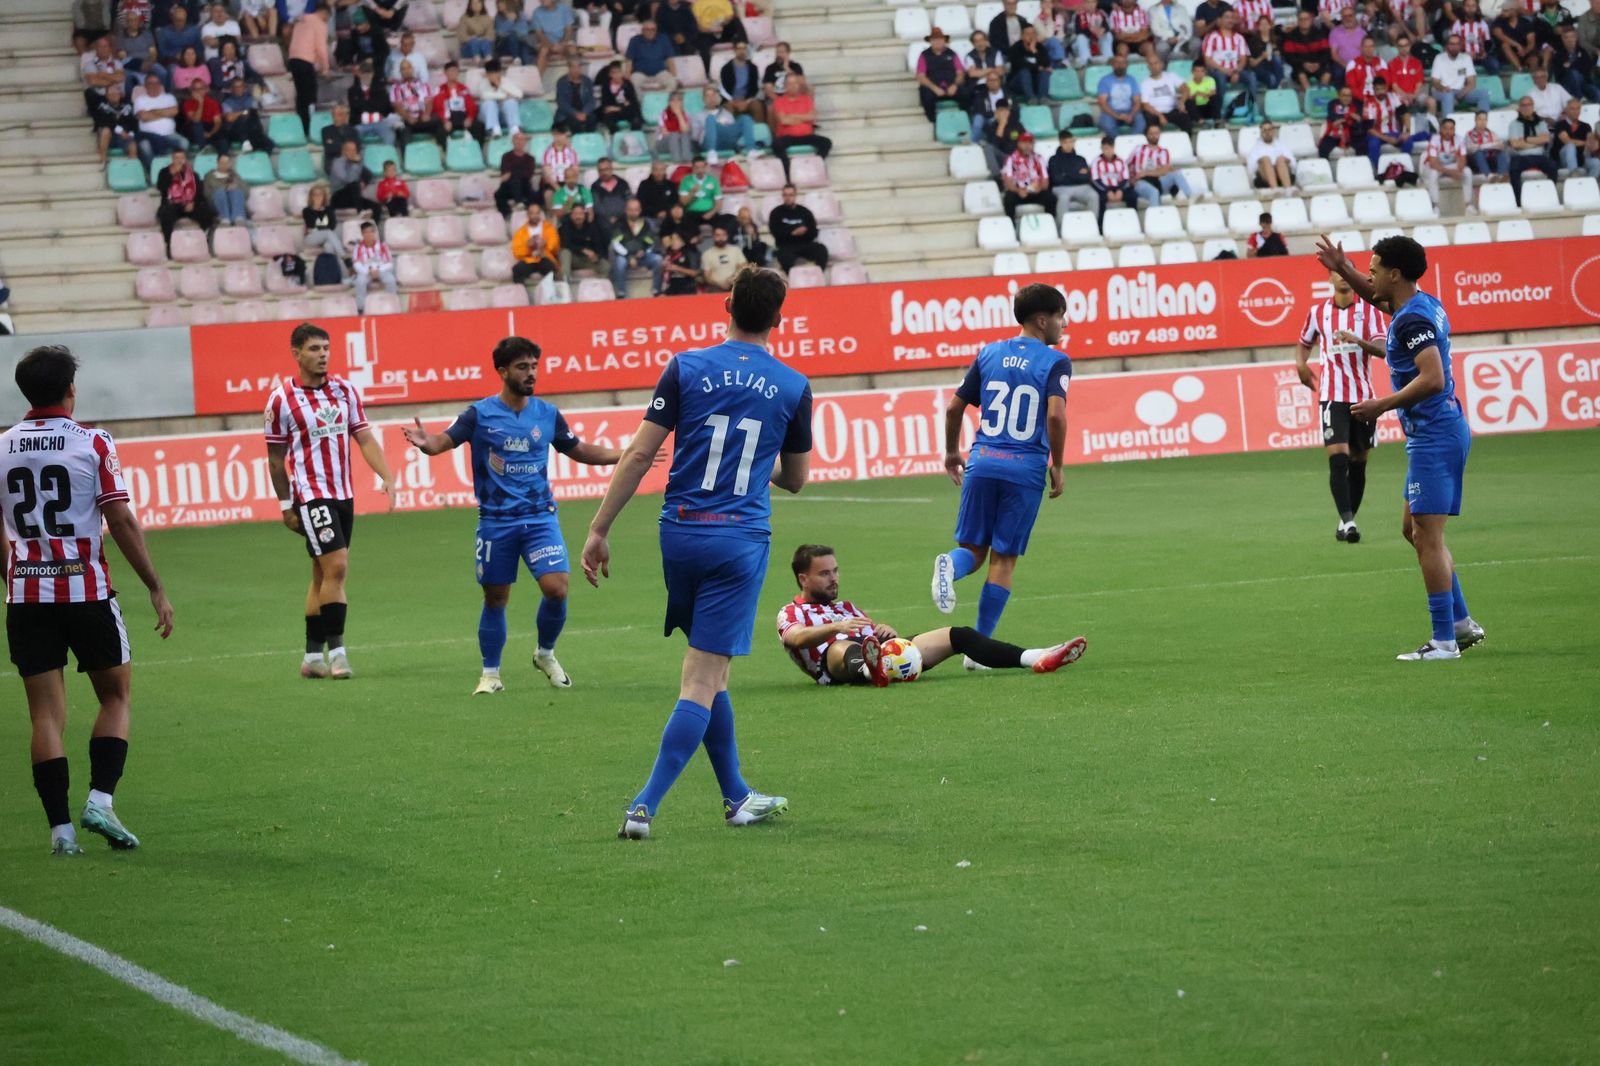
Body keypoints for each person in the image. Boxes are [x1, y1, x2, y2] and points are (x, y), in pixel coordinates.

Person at [581, 266, 813, 841]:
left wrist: (598, 528)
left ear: (725, 305)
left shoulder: (685, 366)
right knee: (700, 678)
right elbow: (796, 479)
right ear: (779, 318)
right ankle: (643, 807)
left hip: (679, 532)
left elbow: (638, 454)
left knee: (713, 673)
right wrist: (757, 460)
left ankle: (736, 795)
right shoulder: (792, 385)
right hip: (738, 540)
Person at [3, 344, 174, 857]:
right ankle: (100, 799)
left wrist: (13, 578)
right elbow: (118, 518)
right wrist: (154, 585)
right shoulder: (91, 442)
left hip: (27, 596)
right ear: (70, 390)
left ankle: (61, 833)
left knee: (45, 716)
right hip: (86, 590)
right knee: (116, 696)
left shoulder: (3, 445)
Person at [401, 338, 624, 694]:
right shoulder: (480, 414)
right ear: (503, 372)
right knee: (496, 598)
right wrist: (427, 443)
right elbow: (443, 441)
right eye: (523, 367)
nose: (531, 373)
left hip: (540, 518)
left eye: (534, 365)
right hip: (496, 522)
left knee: (557, 588)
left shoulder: (547, 414)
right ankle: (490, 674)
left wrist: (624, 456)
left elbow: (578, 449)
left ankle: (545, 654)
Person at [1314, 234, 1483, 660]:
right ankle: (1460, 622)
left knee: (1427, 535)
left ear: (1394, 274)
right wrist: (1344, 264)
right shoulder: (1419, 304)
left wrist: (1380, 406)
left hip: (1434, 436)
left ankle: (1444, 640)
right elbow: (1377, 296)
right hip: (1436, 432)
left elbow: (1432, 379)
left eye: (1372, 270)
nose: (1366, 277)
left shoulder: (1411, 320)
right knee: (1413, 530)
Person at [931, 284, 1071, 651]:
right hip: (1023, 468)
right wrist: (1058, 463)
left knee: (972, 551)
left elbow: (953, 408)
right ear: (1042, 321)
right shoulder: (1056, 361)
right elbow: (1056, 415)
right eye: (1060, 316)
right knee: (1003, 559)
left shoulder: (989, 353)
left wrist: (950, 452)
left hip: (982, 461)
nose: (1063, 324)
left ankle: (950, 564)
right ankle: (980, 648)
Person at [264, 323, 397, 681]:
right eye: (313, 349)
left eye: (326, 348)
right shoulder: (281, 400)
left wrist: (387, 475)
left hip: (343, 494)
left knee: (322, 573)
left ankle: (311, 658)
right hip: (310, 494)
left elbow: (364, 438)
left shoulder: (345, 391)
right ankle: (338, 653)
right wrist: (285, 504)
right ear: (296, 354)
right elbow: (276, 459)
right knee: (337, 566)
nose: (322, 354)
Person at [780, 545, 1087, 687]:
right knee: (841, 648)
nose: (833, 578)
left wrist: (884, 630)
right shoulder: (790, 612)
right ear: (803, 578)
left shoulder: (847, 606)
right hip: (836, 668)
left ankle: (1037, 658)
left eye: (835, 571)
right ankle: (870, 669)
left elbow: (871, 634)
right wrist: (839, 628)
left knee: (958, 635)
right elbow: (795, 638)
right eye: (823, 574)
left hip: (884, 655)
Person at [1294, 269, 1386, 542]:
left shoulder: (1370, 312)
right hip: (1331, 395)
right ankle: (1349, 523)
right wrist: (1300, 364)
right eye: (1337, 273)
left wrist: (1358, 341)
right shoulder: (1317, 312)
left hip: (1363, 398)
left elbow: (1382, 349)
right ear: (1330, 280)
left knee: (1359, 462)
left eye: (1347, 271)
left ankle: (1345, 520)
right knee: (1338, 457)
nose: (1343, 277)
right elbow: (1303, 343)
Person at [155, 148, 216, 253]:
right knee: (165, 214)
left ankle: (205, 240)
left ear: (185, 159)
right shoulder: (164, 172)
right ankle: (169, 244)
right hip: (173, 205)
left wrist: (193, 202)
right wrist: (171, 175)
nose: (179, 161)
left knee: (208, 211)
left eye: (181, 158)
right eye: (176, 158)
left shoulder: (193, 174)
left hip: (189, 205)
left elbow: (199, 193)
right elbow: (161, 188)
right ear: (172, 159)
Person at [770, 76, 831, 175]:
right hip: (787, 136)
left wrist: (793, 116)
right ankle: (787, 170)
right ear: (785, 86)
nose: (793, 86)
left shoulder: (806, 99)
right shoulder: (779, 101)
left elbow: (812, 117)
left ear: (799, 86)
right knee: (776, 145)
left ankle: (815, 166)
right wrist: (803, 118)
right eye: (790, 83)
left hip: (806, 135)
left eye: (795, 83)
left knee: (826, 142)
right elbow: (784, 120)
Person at [286, 4, 329, 137]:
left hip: (293, 59)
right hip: (305, 60)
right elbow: (321, 48)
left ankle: (302, 127)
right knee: (310, 96)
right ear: (325, 13)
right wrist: (325, 68)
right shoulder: (319, 24)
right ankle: (310, 127)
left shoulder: (300, 21)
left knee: (300, 96)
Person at [1506, 95, 1557, 200]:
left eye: (1528, 105)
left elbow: (1546, 139)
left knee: (1553, 167)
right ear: (1519, 108)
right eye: (1523, 105)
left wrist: (1525, 139)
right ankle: (1518, 201)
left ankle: (1549, 196)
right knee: (1513, 169)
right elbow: (1515, 144)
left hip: (1539, 156)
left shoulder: (1541, 123)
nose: (1526, 108)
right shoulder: (1514, 124)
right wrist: (1537, 142)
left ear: (1533, 107)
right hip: (1521, 157)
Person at [610, 196, 663, 296]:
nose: (633, 212)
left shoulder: (645, 224)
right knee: (619, 262)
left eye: (636, 210)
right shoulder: (619, 223)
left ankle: (656, 290)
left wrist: (644, 251)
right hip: (625, 256)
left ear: (640, 210)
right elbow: (615, 244)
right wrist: (629, 256)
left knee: (658, 259)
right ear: (626, 210)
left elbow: (650, 242)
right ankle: (621, 292)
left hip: (641, 256)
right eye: (630, 210)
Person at [133, 72, 186, 172]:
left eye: (156, 83)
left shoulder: (169, 97)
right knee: (145, 147)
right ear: (145, 86)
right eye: (151, 83)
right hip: (148, 135)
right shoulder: (140, 100)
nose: (154, 86)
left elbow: (174, 111)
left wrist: (153, 112)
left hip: (169, 134)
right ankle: (154, 172)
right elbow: (144, 117)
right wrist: (165, 112)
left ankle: (178, 170)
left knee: (184, 143)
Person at [768, 184, 828, 271]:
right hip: (786, 246)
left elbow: (814, 231)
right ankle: (792, 279)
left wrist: (805, 232)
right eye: (785, 195)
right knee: (784, 256)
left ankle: (818, 275)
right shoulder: (776, 212)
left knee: (821, 250)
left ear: (795, 195)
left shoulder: (805, 212)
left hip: (805, 244)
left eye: (791, 195)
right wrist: (792, 233)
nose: (788, 197)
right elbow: (775, 232)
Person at [1429, 34, 1491, 117]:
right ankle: (1448, 124)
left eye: (1457, 44)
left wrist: (1460, 95)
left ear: (1460, 45)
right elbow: (1435, 82)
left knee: (1484, 93)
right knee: (1448, 96)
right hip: (1442, 91)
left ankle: (1482, 123)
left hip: (1461, 91)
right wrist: (1443, 88)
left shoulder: (1466, 58)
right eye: (1452, 44)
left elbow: (1471, 82)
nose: (1454, 47)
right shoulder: (1439, 58)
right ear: (1447, 45)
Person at [1129, 122, 1193, 202]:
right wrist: (1131, 179)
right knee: (1154, 192)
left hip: (1158, 181)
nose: (1154, 136)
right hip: (1141, 182)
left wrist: (1146, 173)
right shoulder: (1138, 149)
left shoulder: (1163, 152)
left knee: (1176, 173)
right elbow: (1128, 165)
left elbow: (1164, 170)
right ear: (1146, 135)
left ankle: (1191, 197)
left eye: (1156, 133)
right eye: (1151, 133)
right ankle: (1154, 214)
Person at [1091, 134, 1149, 221]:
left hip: (1119, 188)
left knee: (1133, 196)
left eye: (1109, 148)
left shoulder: (1121, 161)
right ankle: (1100, 226)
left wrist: (1120, 190)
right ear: (1101, 148)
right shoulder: (1096, 162)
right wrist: (1108, 191)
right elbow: (1096, 180)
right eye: (1105, 148)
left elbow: (1125, 179)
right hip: (1104, 189)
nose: (1107, 151)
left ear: (1113, 147)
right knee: (1099, 200)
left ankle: (1133, 221)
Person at [390, 59, 445, 150]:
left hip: (423, 118)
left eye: (408, 68)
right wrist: (408, 117)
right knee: (403, 132)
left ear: (412, 69)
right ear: (400, 72)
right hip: (408, 120)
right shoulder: (396, 88)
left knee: (438, 122)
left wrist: (427, 114)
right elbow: (397, 106)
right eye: (403, 69)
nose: (406, 70)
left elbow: (429, 101)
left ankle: (446, 152)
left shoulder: (423, 85)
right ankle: (406, 160)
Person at [1421, 117, 1474, 208]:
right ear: (1441, 129)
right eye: (1445, 128)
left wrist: (1459, 170)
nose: (1448, 131)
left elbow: (1462, 159)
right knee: (1433, 174)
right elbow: (1433, 163)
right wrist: (1451, 172)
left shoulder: (1459, 139)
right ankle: (1435, 205)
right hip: (1434, 167)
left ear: (1454, 130)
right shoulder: (1434, 140)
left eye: (1451, 129)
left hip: (1450, 166)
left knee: (1467, 172)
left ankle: (1468, 205)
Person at [1000, 132, 1055, 218]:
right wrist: (1019, 191)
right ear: (1018, 144)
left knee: (1051, 198)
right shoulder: (1011, 159)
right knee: (1008, 198)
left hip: (1035, 191)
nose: (1027, 146)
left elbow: (1045, 182)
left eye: (1030, 143)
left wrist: (1039, 188)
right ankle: (1012, 227)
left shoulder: (1039, 158)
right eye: (1024, 143)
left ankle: (1051, 223)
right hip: (1018, 192)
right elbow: (1008, 183)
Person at [917, 27, 965, 122]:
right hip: (934, 88)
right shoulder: (924, 55)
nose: (937, 41)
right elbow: (921, 76)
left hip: (951, 86)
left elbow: (960, 73)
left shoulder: (952, 54)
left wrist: (955, 86)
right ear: (930, 41)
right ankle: (933, 122)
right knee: (926, 96)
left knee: (966, 93)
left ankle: (964, 119)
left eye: (940, 39)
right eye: (934, 39)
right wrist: (934, 88)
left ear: (944, 40)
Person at [1048, 128, 1097, 219]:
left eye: (1071, 142)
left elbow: (1085, 177)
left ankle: (1093, 225)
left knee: (1093, 196)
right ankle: (1061, 228)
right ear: (1061, 142)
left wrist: (1066, 174)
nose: (1069, 145)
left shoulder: (1080, 159)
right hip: (1061, 188)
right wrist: (1077, 174)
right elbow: (1056, 179)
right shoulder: (1053, 160)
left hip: (1081, 187)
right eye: (1066, 142)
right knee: (1063, 198)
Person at [349, 222, 397, 313]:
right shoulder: (358, 247)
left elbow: (389, 262)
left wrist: (379, 270)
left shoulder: (382, 246)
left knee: (390, 280)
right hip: (366, 271)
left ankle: (392, 305)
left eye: (371, 232)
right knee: (360, 281)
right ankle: (361, 308)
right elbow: (356, 264)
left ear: (374, 233)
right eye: (366, 232)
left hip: (381, 270)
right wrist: (368, 271)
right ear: (362, 234)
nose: (369, 234)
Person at [301, 184, 346, 276]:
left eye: (320, 194)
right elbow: (311, 224)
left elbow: (332, 225)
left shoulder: (329, 209)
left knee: (329, 246)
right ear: (311, 197)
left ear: (324, 196)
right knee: (328, 233)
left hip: (325, 237)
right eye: (315, 194)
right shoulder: (306, 210)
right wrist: (316, 208)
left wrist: (319, 226)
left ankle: (332, 275)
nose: (318, 197)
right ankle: (344, 257)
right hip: (311, 238)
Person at [1284, 9, 1334, 91]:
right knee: (1301, 76)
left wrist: (1318, 63)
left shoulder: (1320, 34)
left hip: (1318, 64)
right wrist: (1304, 64)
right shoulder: (1291, 36)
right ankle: (1309, 97)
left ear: (1311, 20)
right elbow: (1289, 57)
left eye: (1306, 19)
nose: (1304, 21)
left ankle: (1321, 95)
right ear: (1298, 21)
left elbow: (1326, 53)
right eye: (1301, 19)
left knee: (1327, 74)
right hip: (1300, 66)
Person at [329, 140, 382, 218]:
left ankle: (371, 228)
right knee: (354, 184)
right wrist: (355, 164)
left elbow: (370, 175)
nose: (353, 152)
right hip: (339, 197)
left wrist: (364, 182)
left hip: (354, 198)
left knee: (376, 207)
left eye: (354, 150)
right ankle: (360, 211)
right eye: (349, 150)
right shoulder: (338, 162)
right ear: (343, 151)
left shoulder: (357, 162)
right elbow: (347, 180)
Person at [1096, 53, 1146, 136]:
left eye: (1123, 63)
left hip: (1129, 111)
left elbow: (1137, 102)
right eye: (1117, 62)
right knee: (1107, 125)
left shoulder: (1131, 80)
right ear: (1112, 65)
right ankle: (1118, 143)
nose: (1120, 65)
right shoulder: (1105, 80)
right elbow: (1103, 103)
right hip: (1111, 112)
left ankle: (1131, 142)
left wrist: (1131, 114)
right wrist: (1118, 116)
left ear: (1126, 65)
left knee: (1141, 123)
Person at [511, 203, 561, 285]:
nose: (535, 216)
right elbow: (517, 252)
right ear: (528, 215)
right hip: (529, 259)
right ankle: (521, 294)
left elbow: (555, 248)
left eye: (537, 213)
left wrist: (545, 244)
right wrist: (527, 247)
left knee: (551, 269)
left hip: (545, 257)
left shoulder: (549, 228)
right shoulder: (521, 232)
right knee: (517, 270)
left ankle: (552, 294)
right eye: (532, 213)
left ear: (540, 214)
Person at [433, 61, 483, 141]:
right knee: (439, 131)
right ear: (445, 73)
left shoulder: (464, 89)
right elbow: (438, 107)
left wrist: (470, 118)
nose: (453, 73)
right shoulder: (440, 89)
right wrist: (445, 120)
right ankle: (446, 151)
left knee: (479, 127)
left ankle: (477, 150)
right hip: (448, 117)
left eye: (455, 71)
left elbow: (471, 105)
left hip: (463, 116)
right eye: (450, 71)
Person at [348, 61, 396, 145]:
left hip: (380, 123)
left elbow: (384, 106)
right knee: (353, 137)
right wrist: (373, 105)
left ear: (373, 74)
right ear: (359, 73)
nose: (366, 76)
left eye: (369, 73)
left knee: (390, 136)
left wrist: (366, 105)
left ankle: (386, 156)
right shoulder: (352, 91)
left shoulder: (380, 89)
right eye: (364, 73)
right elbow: (355, 107)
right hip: (361, 123)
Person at [625, 19, 679, 93]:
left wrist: (674, 75)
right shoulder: (634, 40)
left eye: (653, 29)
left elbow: (669, 58)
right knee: (632, 84)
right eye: (647, 29)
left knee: (672, 83)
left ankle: (661, 100)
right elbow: (629, 60)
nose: (650, 32)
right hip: (640, 73)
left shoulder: (663, 39)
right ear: (642, 30)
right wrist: (627, 75)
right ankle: (643, 103)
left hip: (660, 72)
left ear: (656, 30)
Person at [720, 40, 766, 126]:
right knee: (728, 109)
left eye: (744, 48)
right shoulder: (726, 69)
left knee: (757, 106)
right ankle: (731, 136)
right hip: (731, 100)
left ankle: (759, 134)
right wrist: (734, 102)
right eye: (739, 48)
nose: (742, 51)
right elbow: (724, 89)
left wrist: (746, 102)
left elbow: (754, 89)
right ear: (734, 50)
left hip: (747, 100)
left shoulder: (753, 68)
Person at [93, 82, 140, 164]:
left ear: (120, 94)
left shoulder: (127, 106)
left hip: (123, 138)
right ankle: (103, 161)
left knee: (133, 145)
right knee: (105, 131)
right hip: (110, 137)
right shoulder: (102, 107)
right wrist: (119, 130)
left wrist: (130, 134)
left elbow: (133, 123)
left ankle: (133, 169)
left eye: (116, 92)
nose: (114, 94)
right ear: (106, 96)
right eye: (111, 93)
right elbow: (105, 121)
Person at [691, 0, 746, 68]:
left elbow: (730, 17)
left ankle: (744, 47)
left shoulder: (724, 2)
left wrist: (723, 24)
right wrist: (710, 30)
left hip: (722, 30)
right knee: (701, 41)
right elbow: (696, 26)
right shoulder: (697, 4)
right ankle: (708, 71)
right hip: (707, 33)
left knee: (736, 21)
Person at [1140, 55, 1189, 131]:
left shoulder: (1171, 76)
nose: (1153, 66)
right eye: (1151, 64)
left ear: (1161, 64)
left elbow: (1185, 88)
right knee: (1149, 119)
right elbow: (1145, 105)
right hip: (1155, 113)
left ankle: (1188, 140)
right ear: (1148, 67)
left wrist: (1182, 101)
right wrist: (1160, 116)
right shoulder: (1145, 83)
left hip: (1172, 110)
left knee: (1184, 116)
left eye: (1156, 63)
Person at [496, 132, 540, 218]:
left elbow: (527, 176)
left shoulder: (530, 158)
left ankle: (523, 205)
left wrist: (512, 173)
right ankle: (508, 214)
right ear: (513, 141)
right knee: (498, 194)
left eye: (522, 139)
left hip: (524, 185)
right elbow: (505, 177)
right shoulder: (506, 156)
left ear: (525, 142)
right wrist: (513, 174)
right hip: (508, 186)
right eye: (517, 139)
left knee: (536, 195)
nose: (519, 142)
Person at [557, 202, 607, 277]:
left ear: (585, 215)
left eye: (581, 214)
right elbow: (565, 244)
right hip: (572, 258)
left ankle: (601, 286)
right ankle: (565, 281)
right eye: (575, 214)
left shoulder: (591, 227)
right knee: (565, 252)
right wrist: (583, 250)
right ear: (571, 215)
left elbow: (599, 245)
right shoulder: (565, 227)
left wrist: (597, 256)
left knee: (605, 265)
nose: (578, 217)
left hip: (586, 259)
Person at [1553, 98, 1599, 176]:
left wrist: (1593, 143)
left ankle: (1589, 184)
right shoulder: (1560, 125)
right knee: (1570, 146)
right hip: (1564, 159)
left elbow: (1591, 145)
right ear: (1566, 110)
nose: (1575, 111)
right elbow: (1567, 141)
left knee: (1597, 163)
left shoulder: (1586, 126)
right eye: (1572, 109)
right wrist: (1585, 143)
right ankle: (1574, 175)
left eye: (1578, 108)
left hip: (1582, 158)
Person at [1490, 0, 1539, 73]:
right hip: (1504, 54)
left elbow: (1531, 42)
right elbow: (1500, 36)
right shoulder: (1498, 21)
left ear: (1514, 11)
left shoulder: (1525, 22)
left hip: (1523, 51)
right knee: (1505, 45)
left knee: (1534, 59)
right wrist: (1517, 45)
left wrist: (1526, 51)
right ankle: (1520, 70)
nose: (1502, 12)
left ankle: (1534, 78)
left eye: (1505, 11)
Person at [478, 60, 524, 137]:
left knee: (510, 102)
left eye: (495, 73)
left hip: (504, 116)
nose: (493, 76)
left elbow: (519, 94)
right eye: (491, 74)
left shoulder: (505, 81)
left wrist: (500, 85)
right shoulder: (483, 83)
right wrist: (505, 96)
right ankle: (494, 129)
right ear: (487, 74)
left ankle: (514, 128)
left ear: (499, 73)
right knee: (489, 103)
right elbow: (484, 95)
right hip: (488, 117)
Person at [530, 0, 578, 72]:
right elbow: (540, 34)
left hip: (563, 42)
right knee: (543, 51)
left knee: (572, 50)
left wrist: (562, 44)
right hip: (546, 44)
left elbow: (569, 30)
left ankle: (574, 79)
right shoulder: (537, 13)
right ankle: (538, 81)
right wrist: (551, 46)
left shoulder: (564, 9)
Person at [1248, 120, 1295, 190]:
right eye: (1264, 130)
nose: (1267, 133)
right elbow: (1251, 169)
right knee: (1265, 160)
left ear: (1273, 131)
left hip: (1282, 175)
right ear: (1261, 133)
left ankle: (1288, 190)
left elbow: (1293, 163)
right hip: (1264, 179)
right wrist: (1267, 165)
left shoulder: (1281, 145)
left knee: (1281, 159)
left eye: (1269, 130)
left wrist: (1278, 165)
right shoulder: (1255, 148)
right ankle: (1275, 190)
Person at [203, 150, 247, 225]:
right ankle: (224, 218)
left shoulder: (235, 175)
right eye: (222, 163)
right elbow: (206, 193)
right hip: (217, 203)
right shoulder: (209, 176)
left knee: (235, 191)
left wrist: (234, 187)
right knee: (220, 192)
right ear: (217, 163)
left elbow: (246, 191)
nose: (224, 165)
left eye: (226, 163)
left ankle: (238, 218)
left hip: (234, 203)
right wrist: (225, 189)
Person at [597, 61, 644, 131]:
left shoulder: (628, 84)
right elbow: (606, 105)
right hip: (614, 113)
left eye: (618, 72)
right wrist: (623, 106)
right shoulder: (606, 86)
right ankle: (616, 137)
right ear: (610, 74)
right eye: (613, 73)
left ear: (622, 73)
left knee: (636, 119)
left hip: (626, 111)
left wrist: (617, 108)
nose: (616, 75)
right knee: (608, 119)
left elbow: (633, 103)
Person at [555, 56, 597, 133]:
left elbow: (591, 101)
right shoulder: (561, 82)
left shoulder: (587, 81)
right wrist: (575, 113)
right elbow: (562, 103)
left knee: (592, 118)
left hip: (584, 112)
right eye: (573, 67)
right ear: (569, 68)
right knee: (574, 122)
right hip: (567, 114)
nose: (576, 69)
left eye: (578, 66)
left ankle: (590, 141)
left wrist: (584, 112)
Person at [178, 77, 221, 151]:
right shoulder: (187, 103)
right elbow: (196, 120)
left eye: (201, 88)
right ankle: (203, 149)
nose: (199, 91)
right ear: (192, 91)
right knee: (197, 125)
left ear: (205, 89)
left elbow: (218, 122)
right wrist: (200, 103)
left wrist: (210, 133)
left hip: (209, 128)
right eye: (196, 89)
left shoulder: (213, 102)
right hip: (193, 129)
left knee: (221, 139)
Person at [701, 223, 747, 290]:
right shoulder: (707, 254)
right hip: (715, 289)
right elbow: (706, 276)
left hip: (736, 287)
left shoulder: (735, 250)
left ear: (727, 236)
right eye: (718, 235)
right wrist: (719, 284)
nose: (721, 238)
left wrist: (732, 278)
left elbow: (744, 267)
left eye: (723, 235)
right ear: (713, 236)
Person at [678, 155, 722, 227]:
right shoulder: (686, 180)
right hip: (692, 213)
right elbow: (683, 203)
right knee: (687, 224)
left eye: (702, 167)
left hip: (710, 211)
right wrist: (692, 192)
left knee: (720, 225)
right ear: (693, 168)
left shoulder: (713, 180)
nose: (700, 170)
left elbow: (719, 202)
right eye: (697, 168)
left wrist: (711, 213)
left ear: (706, 167)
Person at [655, 88, 695, 162]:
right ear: (669, 102)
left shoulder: (687, 115)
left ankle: (687, 160)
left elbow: (685, 130)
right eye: (673, 100)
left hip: (682, 142)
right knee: (674, 135)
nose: (676, 102)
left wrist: (679, 114)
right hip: (664, 144)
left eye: (679, 100)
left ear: (682, 102)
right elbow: (665, 133)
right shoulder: (663, 115)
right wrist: (678, 133)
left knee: (685, 136)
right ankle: (677, 162)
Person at [659, 229, 702, 293]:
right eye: (672, 239)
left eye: (676, 239)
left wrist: (677, 268)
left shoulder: (691, 253)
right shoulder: (669, 254)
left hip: (687, 287)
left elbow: (695, 273)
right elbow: (662, 274)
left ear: (683, 241)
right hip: (671, 287)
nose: (673, 242)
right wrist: (663, 267)